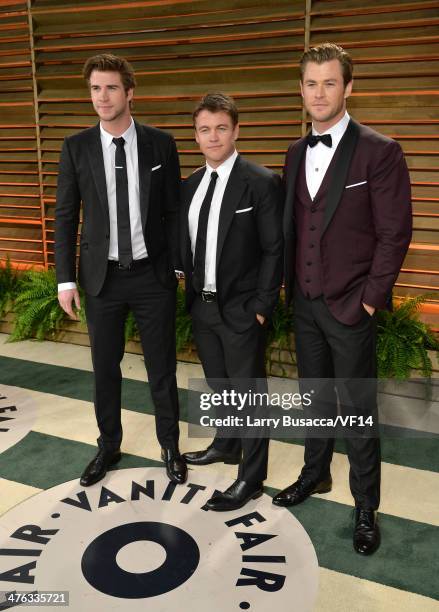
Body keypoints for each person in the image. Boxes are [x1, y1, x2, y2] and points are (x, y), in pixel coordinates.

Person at [273, 43, 412, 555]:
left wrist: (369, 301)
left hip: (352, 305)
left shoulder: (380, 150)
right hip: (305, 304)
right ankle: (315, 476)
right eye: (310, 83)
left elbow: (395, 234)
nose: (318, 92)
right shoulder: (293, 152)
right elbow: (294, 229)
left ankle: (365, 506)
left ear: (348, 87)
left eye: (329, 82)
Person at [55, 53, 187, 487]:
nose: (102, 97)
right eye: (95, 88)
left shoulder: (160, 144)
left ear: (130, 92)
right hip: (101, 279)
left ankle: (170, 445)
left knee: (161, 368)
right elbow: (64, 216)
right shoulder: (75, 147)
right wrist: (65, 279)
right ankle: (108, 445)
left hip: (152, 276)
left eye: (111, 87)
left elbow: (173, 212)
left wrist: (178, 269)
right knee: (105, 369)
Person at [180, 93, 283, 511]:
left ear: (236, 130)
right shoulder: (189, 185)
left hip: (242, 310)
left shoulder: (260, 181)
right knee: (220, 387)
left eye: (221, 127)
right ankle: (226, 443)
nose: (213, 137)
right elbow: (184, 242)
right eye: (205, 129)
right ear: (197, 136)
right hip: (202, 307)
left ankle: (252, 478)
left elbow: (275, 249)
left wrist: (261, 306)